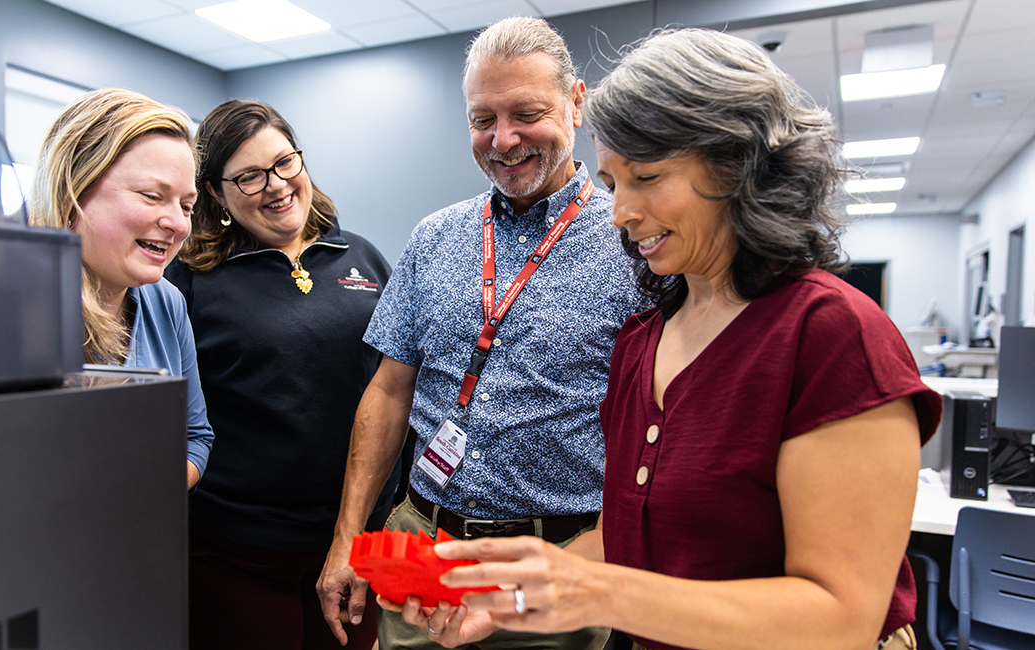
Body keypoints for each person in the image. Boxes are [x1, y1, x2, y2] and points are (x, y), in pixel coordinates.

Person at [399, 28, 943, 650]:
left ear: (736, 164)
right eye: (611, 185)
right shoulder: (645, 339)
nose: (621, 213)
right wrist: (508, 600)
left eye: (647, 177)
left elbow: (841, 617)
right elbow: (627, 533)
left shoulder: (831, 336)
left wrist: (598, 595)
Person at [316, 17, 649, 650]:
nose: (503, 139)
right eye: (481, 120)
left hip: (558, 561)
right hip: (422, 549)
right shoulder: (434, 237)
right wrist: (348, 537)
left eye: (527, 113)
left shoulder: (635, 238)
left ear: (577, 102)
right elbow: (390, 392)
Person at [163, 99, 397, 650]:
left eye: (284, 162)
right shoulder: (191, 278)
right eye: (248, 177)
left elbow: (395, 388)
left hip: (356, 541)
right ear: (215, 194)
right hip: (235, 552)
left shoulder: (361, 257)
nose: (276, 185)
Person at [30, 87, 212, 489]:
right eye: (152, 196)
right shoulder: (12, 310)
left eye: (186, 206)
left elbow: (196, 436)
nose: (180, 225)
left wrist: (145, 488)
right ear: (74, 187)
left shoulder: (167, 303)